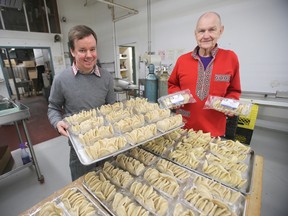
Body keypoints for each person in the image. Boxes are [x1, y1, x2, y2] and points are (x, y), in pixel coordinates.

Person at [47, 25, 116, 181]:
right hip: (80, 148)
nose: (89, 55)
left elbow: (112, 108)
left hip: (106, 143)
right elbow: (53, 108)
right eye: (82, 50)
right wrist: (57, 123)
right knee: (83, 186)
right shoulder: (61, 79)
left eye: (92, 49)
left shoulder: (106, 77)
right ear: (72, 51)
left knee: (108, 184)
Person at [168, 12, 241, 137]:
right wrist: (176, 97)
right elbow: (172, 84)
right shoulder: (182, 60)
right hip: (183, 128)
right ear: (195, 34)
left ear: (220, 31)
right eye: (201, 31)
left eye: (212, 30)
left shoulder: (230, 58)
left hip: (215, 131)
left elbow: (234, 90)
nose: (206, 35)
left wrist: (230, 105)